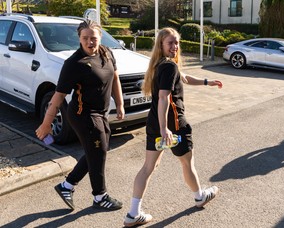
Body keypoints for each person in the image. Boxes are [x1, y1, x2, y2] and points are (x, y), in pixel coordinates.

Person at [123, 27, 223, 227]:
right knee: (187, 163)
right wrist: (164, 129)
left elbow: (184, 77)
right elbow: (163, 97)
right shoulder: (169, 67)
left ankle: (133, 213)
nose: (175, 46)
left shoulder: (161, 65)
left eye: (177, 42)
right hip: (173, 126)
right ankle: (199, 196)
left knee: (148, 168)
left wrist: (207, 81)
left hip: (154, 124)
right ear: (161, 44)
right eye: (170, 43)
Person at [35, 20, 125, 211]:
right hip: (83, 115)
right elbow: (58, 97)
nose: (90, 42)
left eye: (93, 38)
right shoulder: (74, 64)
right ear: (79, 38)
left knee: (98, 150)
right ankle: (100, 196)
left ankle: (66, 186)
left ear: (100, 37)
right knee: (98, 152)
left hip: (101, 113)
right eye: (85, 38)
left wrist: (120, 104)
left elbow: (115, 77)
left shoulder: (106, 52)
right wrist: (46, 124)